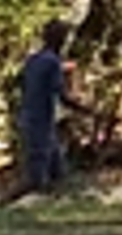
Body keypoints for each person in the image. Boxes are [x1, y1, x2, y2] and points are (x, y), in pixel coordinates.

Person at [6, 19, 91, 203]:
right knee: (34, 179)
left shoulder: (33, 60)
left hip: (32, 119)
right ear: (59, 40)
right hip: (41, 124)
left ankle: (63, 207)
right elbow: (62, 96)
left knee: (58, 171)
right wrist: (85, 110)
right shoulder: (52, 63)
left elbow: (21, 81)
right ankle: (2, 204)